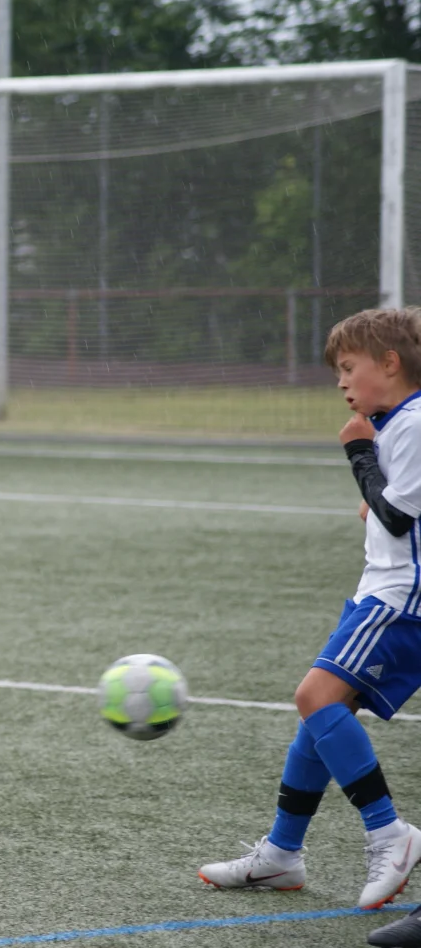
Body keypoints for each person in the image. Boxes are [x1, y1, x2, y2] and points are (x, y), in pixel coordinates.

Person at [199, 307, 421, 910]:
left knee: (315, 697)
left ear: (392, 363)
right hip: (382, 592)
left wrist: (359, 456)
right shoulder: (397, 422)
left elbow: (399, 514)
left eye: (350, 368)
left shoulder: (413, 422)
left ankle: (389, 833)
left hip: (401, 600)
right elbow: (392, 508)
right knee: (322, 714)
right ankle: (280, 855)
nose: (342, 383)